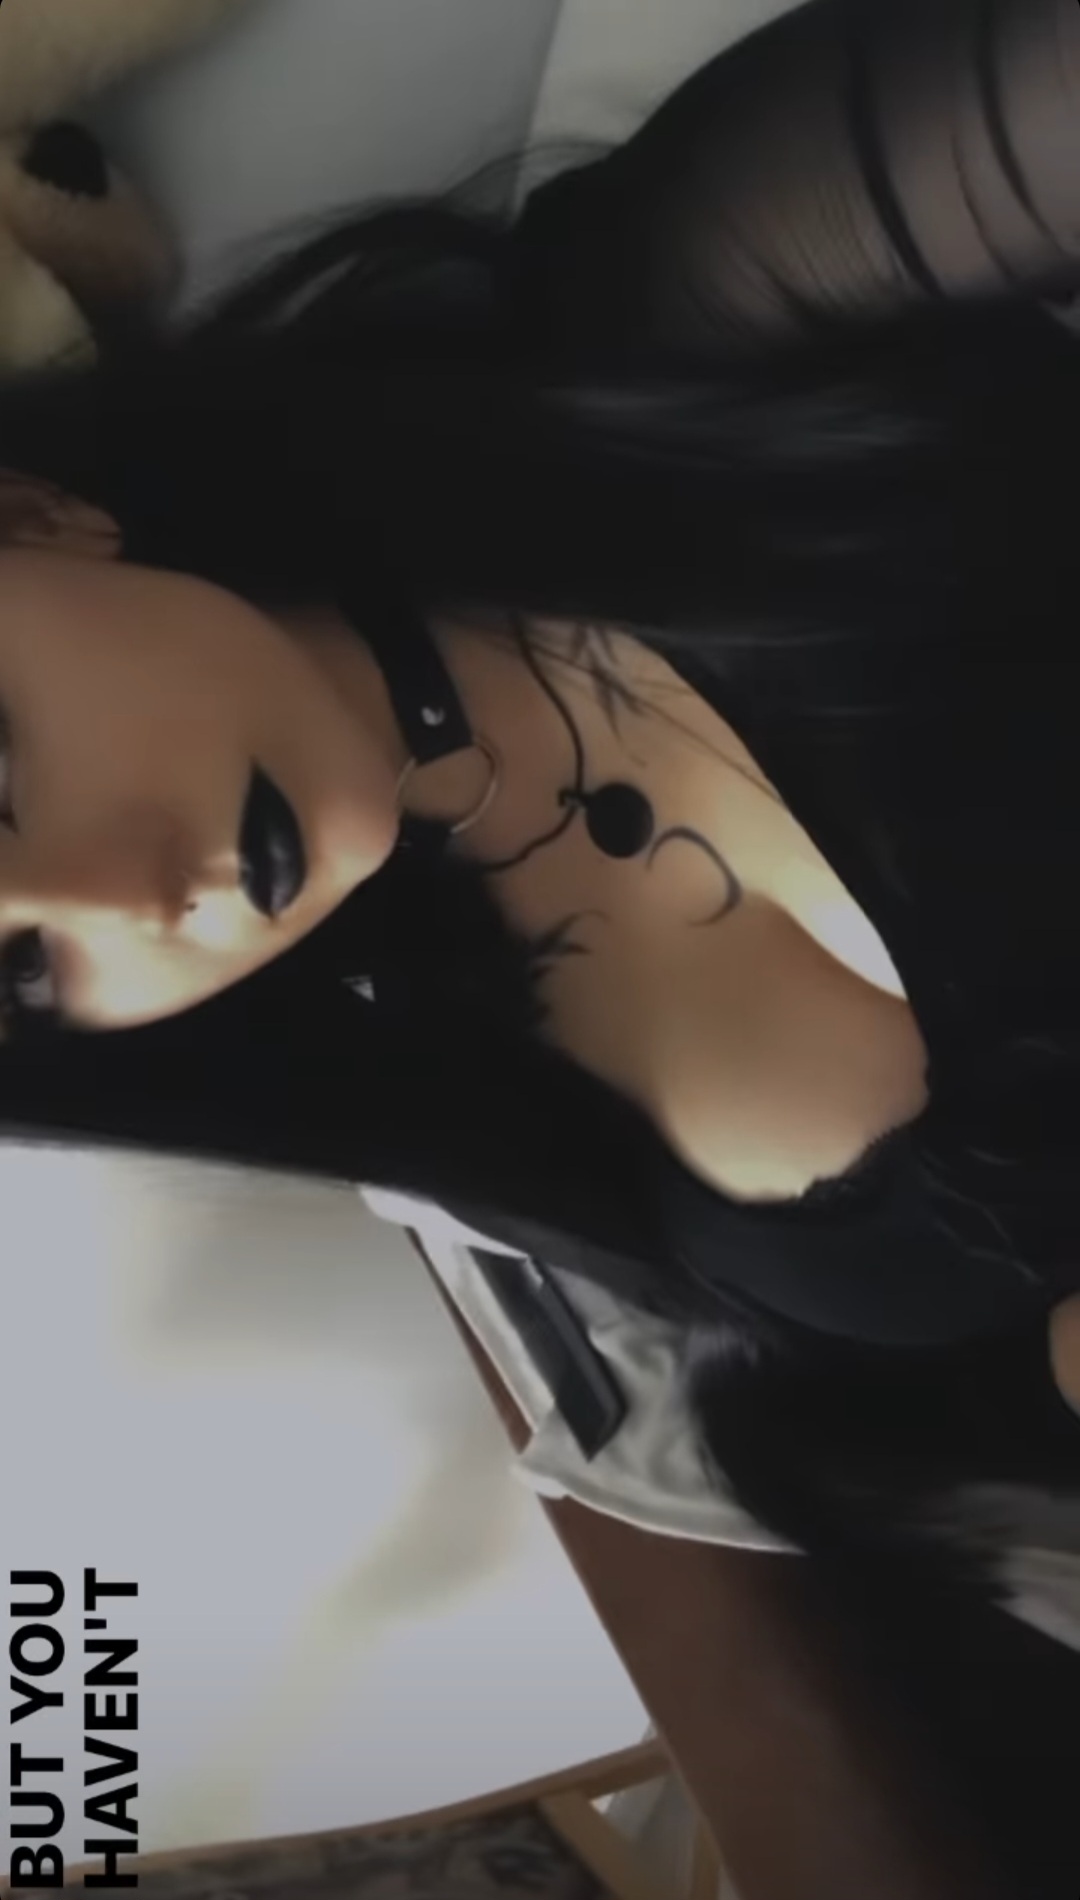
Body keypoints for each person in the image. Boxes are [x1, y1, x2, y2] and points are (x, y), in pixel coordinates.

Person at [2, 0, 1080, 1887]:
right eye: (22, 975)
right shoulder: (485, 1111)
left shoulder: (684, 322)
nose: (127, 898)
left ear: (34, 517)